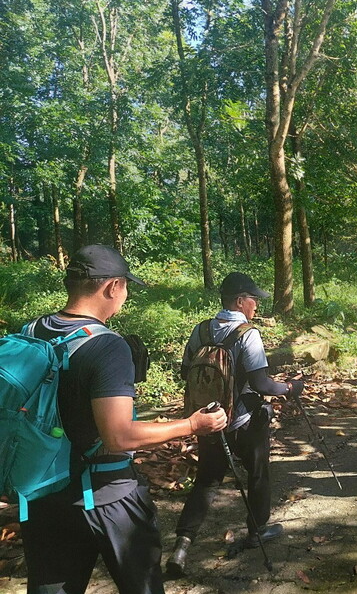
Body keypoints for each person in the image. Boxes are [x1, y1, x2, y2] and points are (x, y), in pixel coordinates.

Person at [19, 244, 227, 594]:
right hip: (106, 496)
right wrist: (192, 425)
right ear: (112, 287)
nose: (125, 295)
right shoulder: (107, 346)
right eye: (126, 287)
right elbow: (119, 437)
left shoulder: (31, 331)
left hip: (43, 495)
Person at [166, 272, 305, 577]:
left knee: (206, 481)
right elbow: (261, 383)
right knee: (257, 474)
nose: (256, 305)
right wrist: (290, 389)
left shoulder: (201, 330)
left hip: (209, 420)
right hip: (243, 420)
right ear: (240, 300)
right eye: (254, 299)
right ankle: (257, 533)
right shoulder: (247, 333)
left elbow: (185, 372)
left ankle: (182, 545)